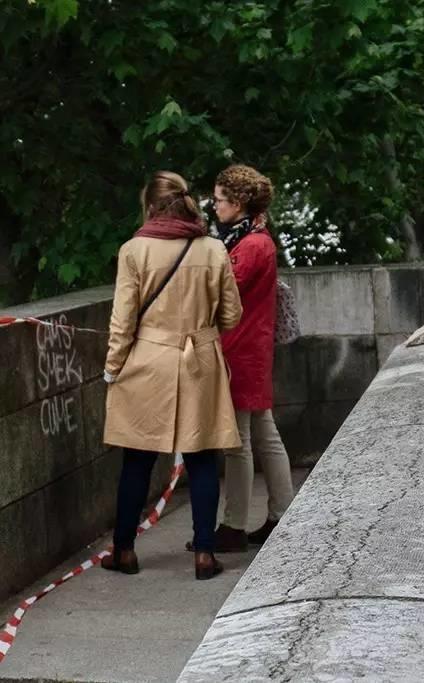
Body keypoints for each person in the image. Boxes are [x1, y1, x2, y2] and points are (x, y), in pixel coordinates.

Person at [102, 171, 241, 580]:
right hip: (200, 360)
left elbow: (122, 320)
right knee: (202, 458)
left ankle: (124, 551)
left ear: (150, 206)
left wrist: (113, 368)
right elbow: (232, 315)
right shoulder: (213, 249)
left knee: (137, 460)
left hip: (147, 362)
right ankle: (203, 555)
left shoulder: (133, 250)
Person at [209, 164, 295, 552]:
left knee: (238, 442)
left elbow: (220, 290)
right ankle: (282, 513)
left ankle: (233, 526)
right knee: (264, 433)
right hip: (250, 348)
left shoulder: (251, 245)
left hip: (240, 349)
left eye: (220, 200)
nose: (214, 207)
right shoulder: (256, 239)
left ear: (239, 202)